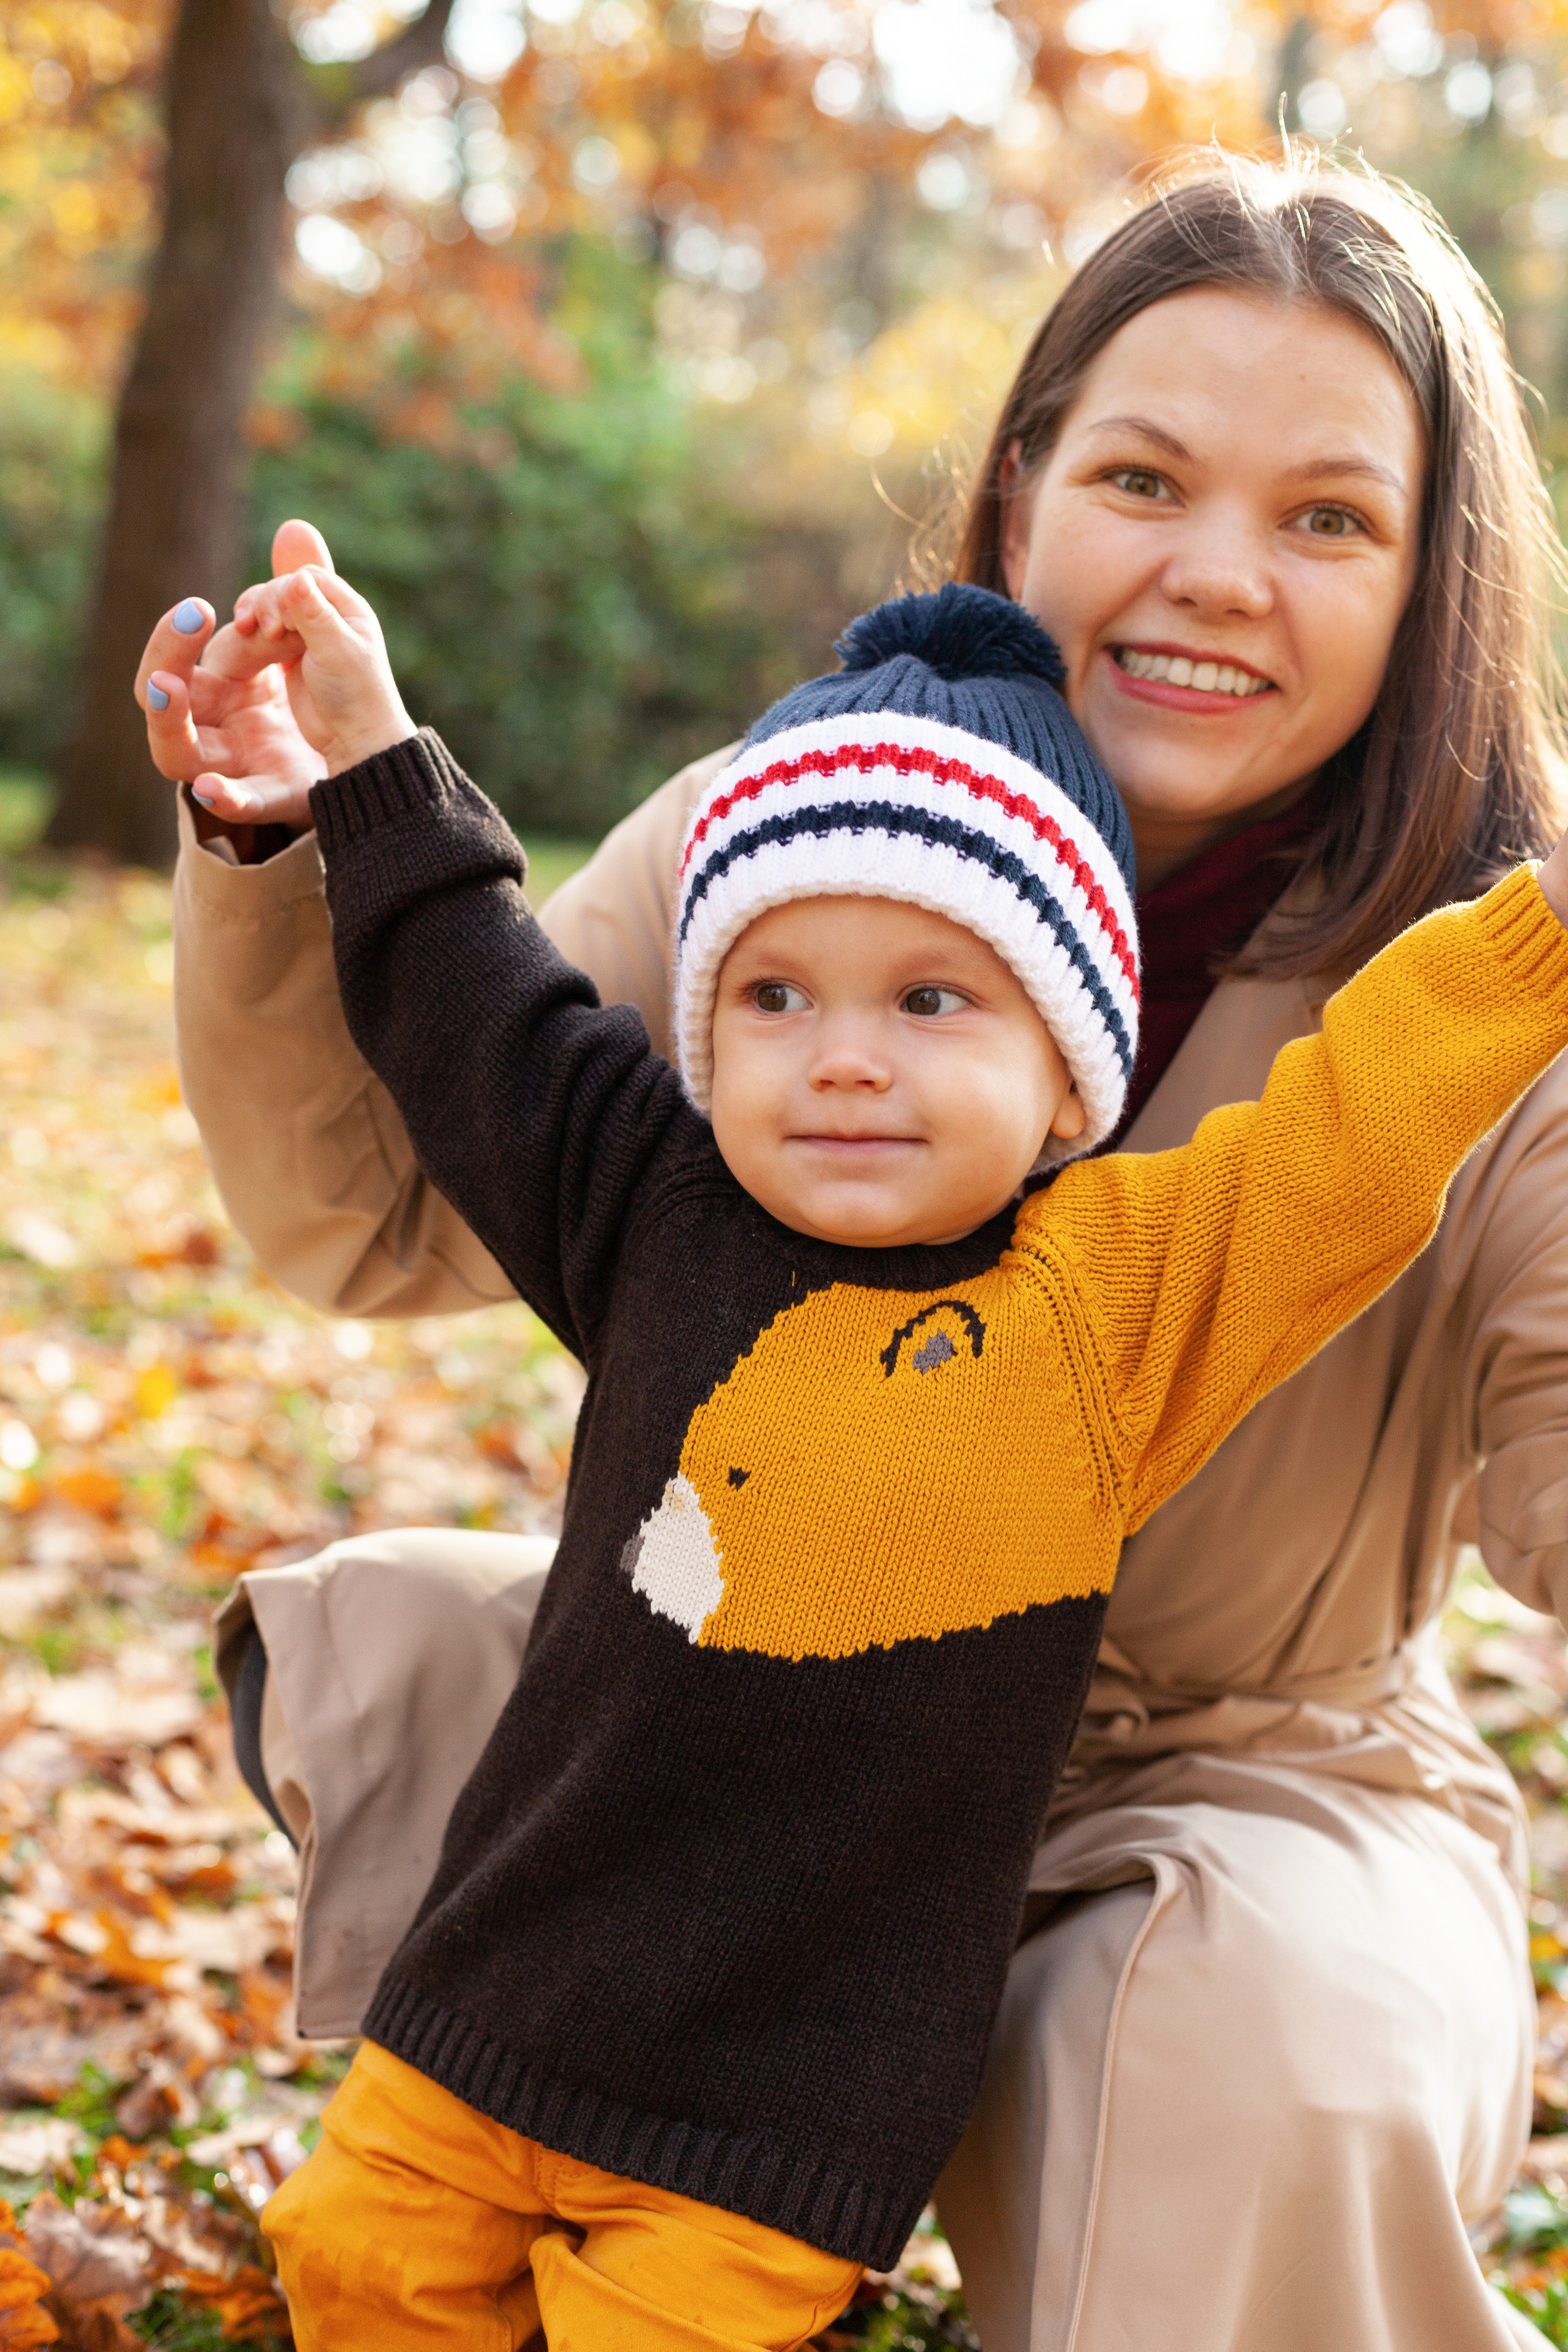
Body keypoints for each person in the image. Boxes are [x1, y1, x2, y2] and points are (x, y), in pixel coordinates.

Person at [148, 153, 1568, 2350]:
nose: (1216, 575)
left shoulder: (1492, 985)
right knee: (422, 1642)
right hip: (791, 1676)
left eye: (1327, 518)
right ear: (1020, 506)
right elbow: (397, 1182)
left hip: (1256, 1772)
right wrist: (289, 832)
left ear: (1425, 584)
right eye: (1145, 476)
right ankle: (553, 2194)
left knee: (1245, 2026)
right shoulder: (800, 847)